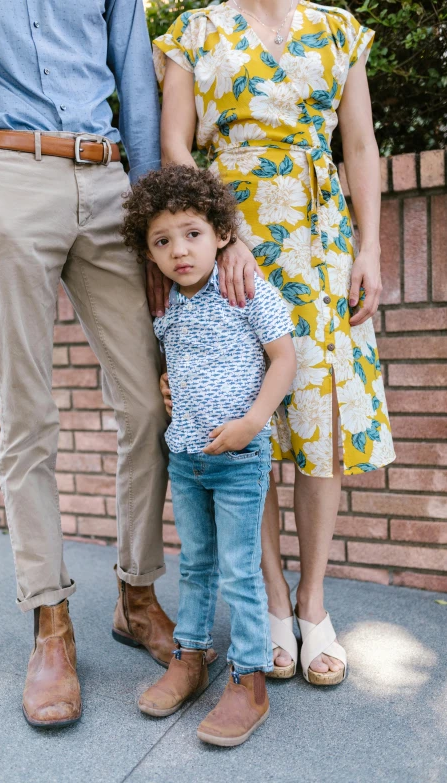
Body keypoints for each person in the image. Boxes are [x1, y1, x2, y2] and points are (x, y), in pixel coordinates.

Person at [0, 0, 177, 728]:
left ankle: (136, 594)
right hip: (3, 178)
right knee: (28, 416)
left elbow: (135, 77)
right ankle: (51, 623)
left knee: (149, 404)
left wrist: (148, 203)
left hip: (106, 184)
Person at [151, 0, 396, 685]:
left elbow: (358, 146)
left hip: (319, 242)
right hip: (229, 245)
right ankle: (272, 600)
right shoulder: (193, 33)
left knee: (320, 420)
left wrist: (370, 246)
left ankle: (313, 603)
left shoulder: (338, 29)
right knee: (242, 416)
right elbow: (177, 149)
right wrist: (229, 237)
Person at [122, 164, 296, 746]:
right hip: (186, 461)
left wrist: (253, 422)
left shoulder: (245, 288)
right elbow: (182, 364)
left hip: (240, 461)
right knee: (196, 565)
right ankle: (190, 659)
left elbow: (285, 360)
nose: (180, 250)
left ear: (221, 232)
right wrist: (170, 385)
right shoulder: (165, 304)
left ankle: (249, 680)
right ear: (149, 253)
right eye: (162, 241)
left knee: (241, 574)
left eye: (192, 233)